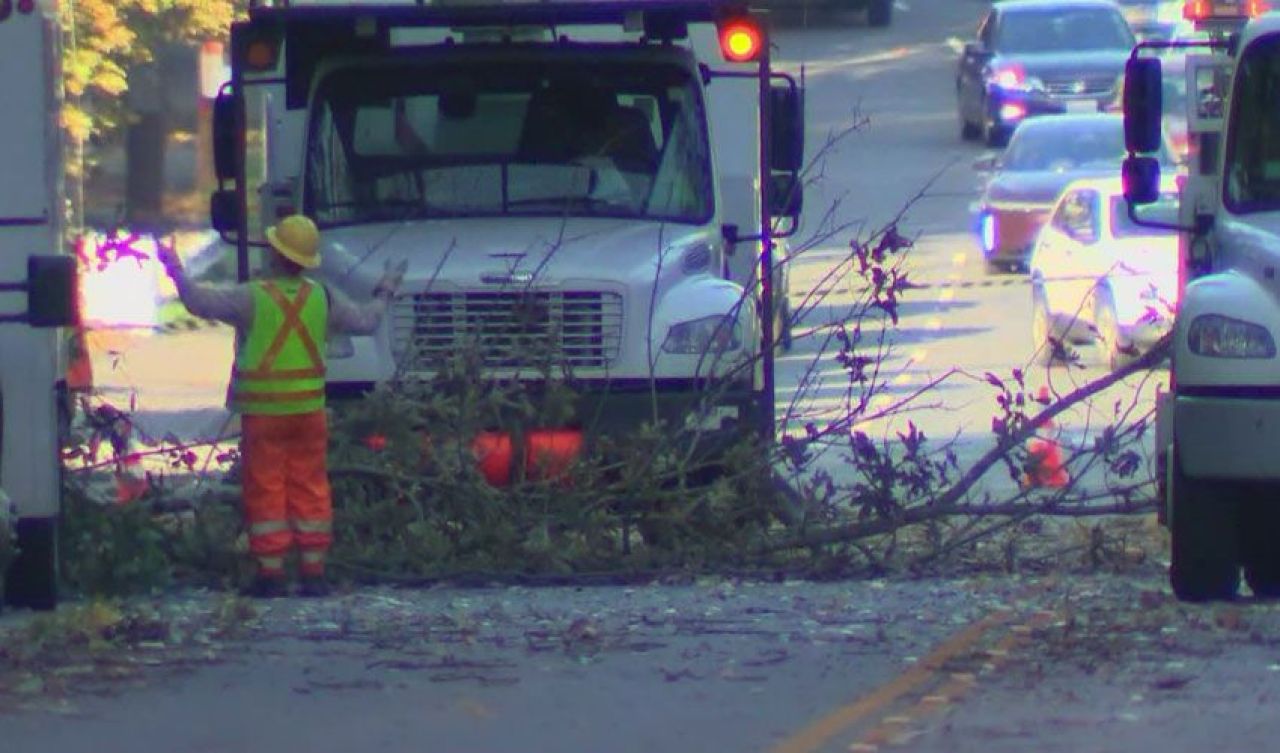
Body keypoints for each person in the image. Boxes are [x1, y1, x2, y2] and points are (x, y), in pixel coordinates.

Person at [158, 215, 408, 598]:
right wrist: (386, 288)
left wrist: (173, 266)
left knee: (266, 486)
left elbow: (199, 301)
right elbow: (366, 320)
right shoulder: (321, 296)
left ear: (275, 254)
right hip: (309, 412)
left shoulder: (252, 297)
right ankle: (313, 572)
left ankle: (271, 573)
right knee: (311, 484)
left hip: (264, 415)